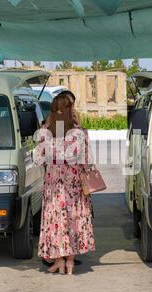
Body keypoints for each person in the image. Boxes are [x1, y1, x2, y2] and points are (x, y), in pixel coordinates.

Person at [36, 94, 95, 275]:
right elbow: (85, 162)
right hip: (74, 185)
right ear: (71, 109)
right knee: (72, 219)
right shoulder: (79, 132)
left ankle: (59, 261)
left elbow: (38, 159)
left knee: (56, 221)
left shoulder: (45, 132)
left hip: (54, 186)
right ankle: (70, 262)